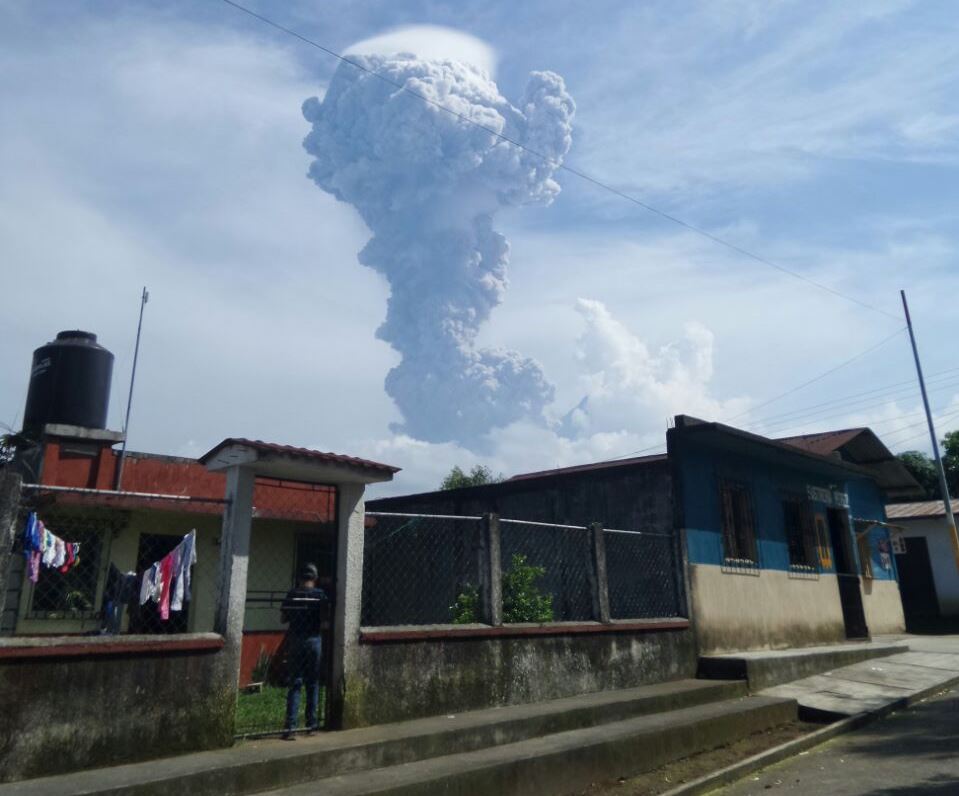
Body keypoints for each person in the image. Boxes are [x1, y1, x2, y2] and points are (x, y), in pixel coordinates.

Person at [280, 562, 329, 739]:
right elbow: (324, 622)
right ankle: (312, 726)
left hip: (296, 639)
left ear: (299, 577)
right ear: (315, 578)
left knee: (295, 683)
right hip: (314, 640)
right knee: (313, 683)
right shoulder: (320, 596)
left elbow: (282, 619)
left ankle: (290, 728)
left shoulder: (293, 594)